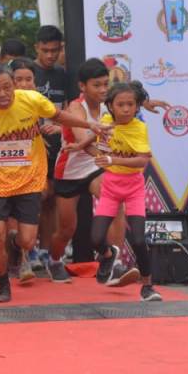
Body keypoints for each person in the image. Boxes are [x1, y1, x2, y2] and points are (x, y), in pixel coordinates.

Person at [0, 62, 110, 303]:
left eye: (7, 88)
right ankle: (2, 284)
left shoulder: (30, 99)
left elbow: (59, 115)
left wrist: (90, 124)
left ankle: (15, 242)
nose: (2, 94)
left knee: (28, 240)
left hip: (29, 179)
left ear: (13, 85)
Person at [88, 82, 162, 301]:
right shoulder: (106, 122)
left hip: (134, 188)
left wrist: (112, 159)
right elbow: (95, 140)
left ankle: (148, 286)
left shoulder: (139, 127)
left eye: (131, 104)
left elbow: (142, 161)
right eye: (121, 104)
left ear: (137, 106)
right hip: (110, 187)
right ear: (110, 106)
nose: (126, 109)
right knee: (95, 239)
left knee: (139, 240)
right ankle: (109, 254)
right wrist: (80, 146)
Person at [51, 58, 116, 281]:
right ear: (82, 86)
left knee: (115, 196)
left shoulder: (111, 106)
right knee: (67, 229)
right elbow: (82, 141)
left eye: (106, 84)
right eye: (97, 85)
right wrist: (105, 158)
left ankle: (114, 261)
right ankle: (54, 260)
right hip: (69, 170)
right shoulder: (76, 107)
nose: (103, 89)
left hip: (95, 167)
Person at [31, 25, 71, 271]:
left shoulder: (63, 75)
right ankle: (29, 247)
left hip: (57, 145)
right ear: (37, 47)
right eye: (45, 50)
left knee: (52, 199)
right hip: (31, 145)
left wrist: (62, 131)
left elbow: (66, 110)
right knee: (36, 197)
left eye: (55, 50)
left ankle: (46, 250)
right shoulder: (27, 71)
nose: (50, 55)